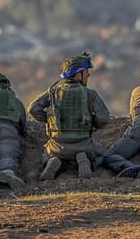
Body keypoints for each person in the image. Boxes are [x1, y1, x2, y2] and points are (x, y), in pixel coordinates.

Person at [28, 53, 111, 181]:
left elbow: (32, 109)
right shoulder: (90, 94)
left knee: (47, 152)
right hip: (83, 144)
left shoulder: (53, 92)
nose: (88, 75)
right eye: (86, 72)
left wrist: (51, 120)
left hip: (57, 146)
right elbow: (104, 118)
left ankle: (54, 160)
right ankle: (84, 159)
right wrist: (91, 123)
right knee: (101, 154)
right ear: (78, 75)